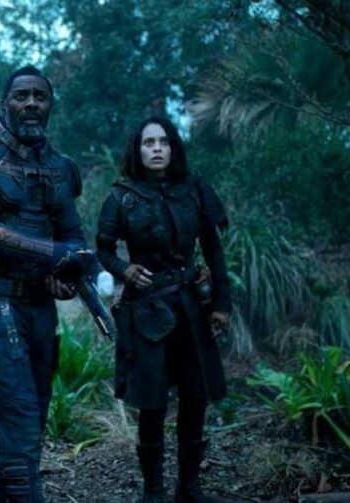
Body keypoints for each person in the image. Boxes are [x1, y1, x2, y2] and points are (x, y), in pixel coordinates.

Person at [0, 65, 93, 502]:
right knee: (22, 416)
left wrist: (67, 274)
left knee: (32, 417)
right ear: (4, 103)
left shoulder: (60, 167)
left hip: (38, 304)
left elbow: (72, 235)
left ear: (50, 106)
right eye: (21, 95)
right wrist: (52, 255)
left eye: (40, 97)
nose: (31, 104)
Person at [96, 116, 231, 503]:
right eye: (148, 143)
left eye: (163, 142)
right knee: (152, 402)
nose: (156, 149)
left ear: (173, 147)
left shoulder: (195, 189)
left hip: (191, 306)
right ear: (137, 150)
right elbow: (103, 248)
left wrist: (221, 305)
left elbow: (213, 250)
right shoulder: (122, 196)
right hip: (147, 309)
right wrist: (124, 269)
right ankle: (153, 492)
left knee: (195, 397)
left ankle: (189, 488)